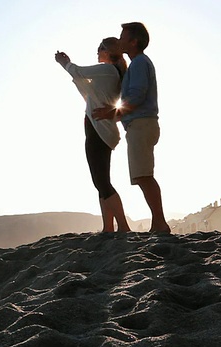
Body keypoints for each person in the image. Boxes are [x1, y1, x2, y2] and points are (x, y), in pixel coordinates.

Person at [92, 22, 170, 233]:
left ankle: (160, 223)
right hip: (140, 124)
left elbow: (135, 97)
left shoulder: (140, 63)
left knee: (144, 175)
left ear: (134, 41)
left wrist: (110, 115)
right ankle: (158, 223)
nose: (120, 40)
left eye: (123, 37)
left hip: (142, 124)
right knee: (142, 175)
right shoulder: (136, 64)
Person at [55, 37, 131, 232]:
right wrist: (73, 73)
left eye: (100, 48)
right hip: (98, 129)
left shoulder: (108, 70)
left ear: (108, 51)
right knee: (101, 179)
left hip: (100, 131)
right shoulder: (110, 73)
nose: (97, 51)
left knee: (101, 180)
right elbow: (87, 92)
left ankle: (123, 226)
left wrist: (65, 63)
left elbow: (79, 71)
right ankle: (108, 227)